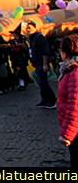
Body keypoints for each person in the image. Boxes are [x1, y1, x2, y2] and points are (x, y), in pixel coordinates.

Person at [24, 19, 57, 108]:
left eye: (29, 27)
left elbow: (44, 52)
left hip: (41, 62)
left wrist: (45, 64)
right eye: (27, 28)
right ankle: (44, 100)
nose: (28, 29)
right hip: (36, 62)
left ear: (35, 27)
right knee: (40, 83)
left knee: (44, 82)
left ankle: (52, 100)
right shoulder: (32, 38)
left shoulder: (39, 37)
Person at [57, 35, 78, 167]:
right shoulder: (70, 70)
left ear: (65, 53)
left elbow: (74, 105)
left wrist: (67, 133)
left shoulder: (75, 72)